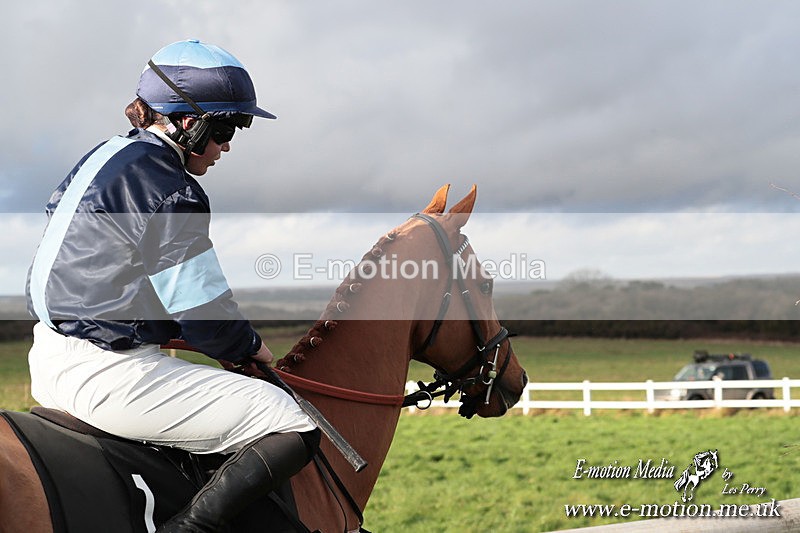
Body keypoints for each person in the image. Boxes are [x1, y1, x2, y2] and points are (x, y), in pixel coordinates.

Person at [25, 39, 319, 532]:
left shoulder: (104, 157)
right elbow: (202, 307)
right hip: (110, 376)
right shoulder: (172, 186)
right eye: (225, 128)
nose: (227, 144)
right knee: (292, 421)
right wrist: (248, 347)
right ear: (186, 121)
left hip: (50, 355)